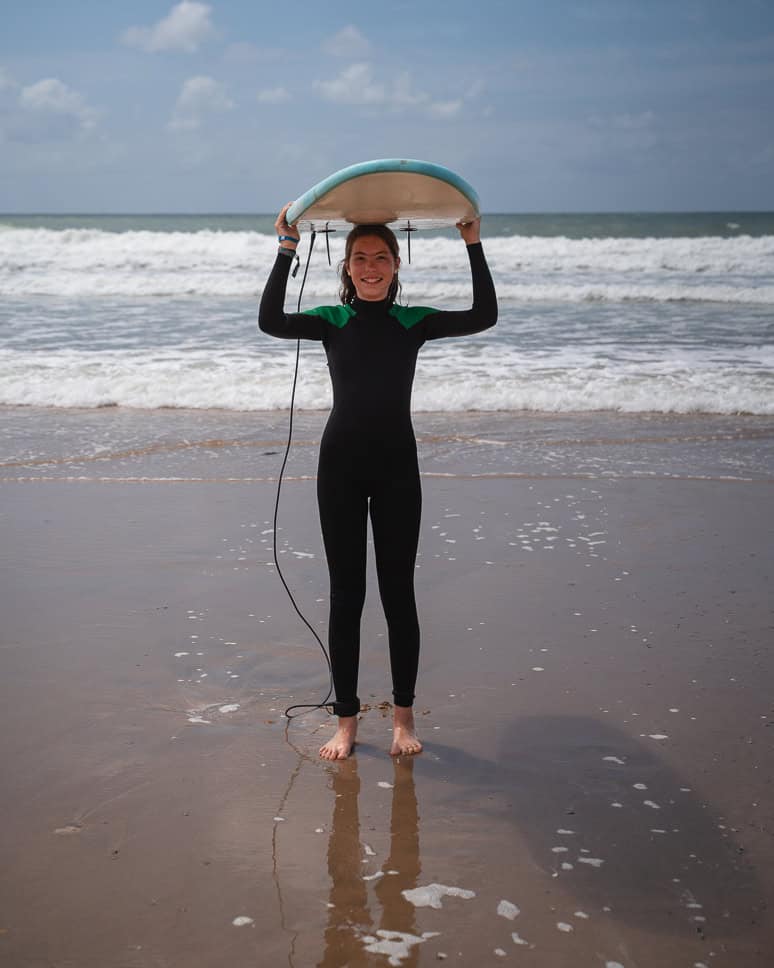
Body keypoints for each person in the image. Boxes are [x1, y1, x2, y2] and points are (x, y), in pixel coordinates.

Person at [259, 203, 497, 760]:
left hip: (397, 470)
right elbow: (270, 320)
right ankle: (346, 723)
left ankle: (403, 720)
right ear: (346, 268)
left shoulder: (412, 322)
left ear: (396, 265)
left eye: (381, 258)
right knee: (347, 596)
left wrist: (472, 243)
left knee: (398, 594)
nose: (371, 266)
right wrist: (286, 248)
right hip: (339, 467)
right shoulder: (330, 321)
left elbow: (484, 314)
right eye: (360, 258)